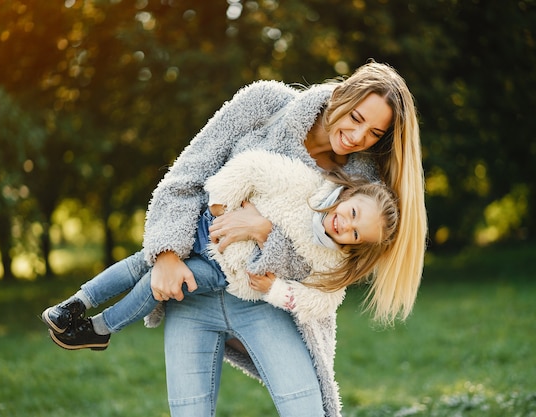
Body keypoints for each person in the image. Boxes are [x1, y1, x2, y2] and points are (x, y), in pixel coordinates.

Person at [140, 59, 427, 417]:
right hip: (193, 290)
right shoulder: (265, 103)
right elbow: (185, 178)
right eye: (356, 118)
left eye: (373, 133)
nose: (357, 137)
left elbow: (326, 272)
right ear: (341, 93)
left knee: (307, 411)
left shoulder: (362, 181)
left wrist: (265, 231)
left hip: (265, 303)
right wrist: (166, 254)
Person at [41, 149, 399, 352]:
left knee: (156, 280)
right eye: (352, 214)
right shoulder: (307, 185)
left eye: (355, 234)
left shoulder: (331, 259)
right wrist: (221, 204)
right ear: (349, 196)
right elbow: (253, 165)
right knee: (141, 261)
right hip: (205, 227)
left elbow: (318, 302)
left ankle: (100, 329)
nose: (344, 226)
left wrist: (276, 289)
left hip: (225, 270)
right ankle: (73, 305)